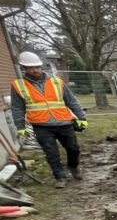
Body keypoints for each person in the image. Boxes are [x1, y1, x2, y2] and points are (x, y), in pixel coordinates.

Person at [10, 51, 88, 188]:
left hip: (64, 122)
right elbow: (17, 108)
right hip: (41, 125)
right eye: (31, 68)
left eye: (37, 67)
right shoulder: (18, 86)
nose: (35, 70)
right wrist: (20, 126)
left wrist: (81, 117)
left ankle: (73, 166)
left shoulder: (57, 82)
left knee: (73, 149)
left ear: (41, 66)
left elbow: (72, 101)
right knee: (51, 153)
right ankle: (60, 177)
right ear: (24, 68)